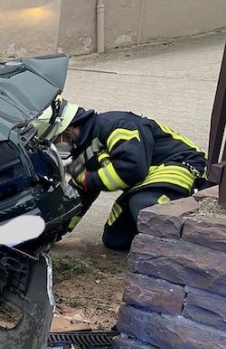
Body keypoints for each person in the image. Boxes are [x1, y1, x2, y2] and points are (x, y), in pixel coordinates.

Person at [44, 96, 208, 252]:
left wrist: (89, 179)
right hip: (147, 182)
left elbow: (132, 169)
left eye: (53, 139)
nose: (54, 145)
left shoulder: (115, 124)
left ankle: (184, 251)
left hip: (183, 165)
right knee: (115, 239)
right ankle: (158, 244)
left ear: (68, 128)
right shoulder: (82, 151)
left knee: (144, 207)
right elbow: (78, 195)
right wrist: (53, 233)